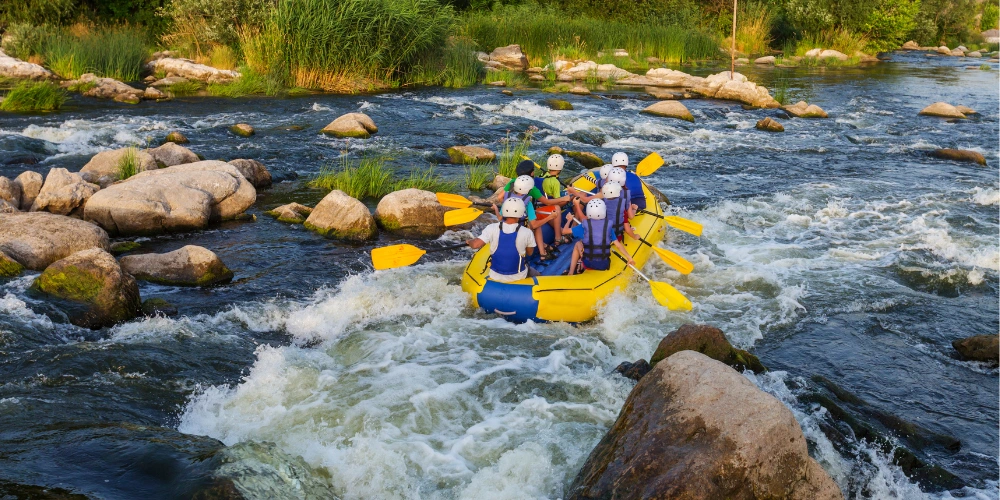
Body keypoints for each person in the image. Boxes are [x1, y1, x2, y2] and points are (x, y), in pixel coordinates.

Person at [467, 198, 538, 283]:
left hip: (495, 275)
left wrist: (469, 241)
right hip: (518, 276)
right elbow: (529, 253)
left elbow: (475, 245)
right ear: (521, 213)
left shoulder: (491, 228)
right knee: (537, 274)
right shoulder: (527, 232)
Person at [562, 198, 634, 275]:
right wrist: (629, 258)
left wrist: (569, 220)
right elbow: (619, 246)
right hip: (604, 265)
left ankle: (571, 272)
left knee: (578, 244)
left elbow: (564, 231)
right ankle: (580, 264)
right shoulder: (608, 227)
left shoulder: (583, 226)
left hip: (588, 264)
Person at [499, 175, 559, 260]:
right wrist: (550, 217)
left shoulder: (507, 198)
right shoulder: (528, 203)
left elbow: (500, 217)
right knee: (537, 226)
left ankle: (544, 246)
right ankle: (543, 254)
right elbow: (534, 225)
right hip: (519, 233)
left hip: (505, 231)